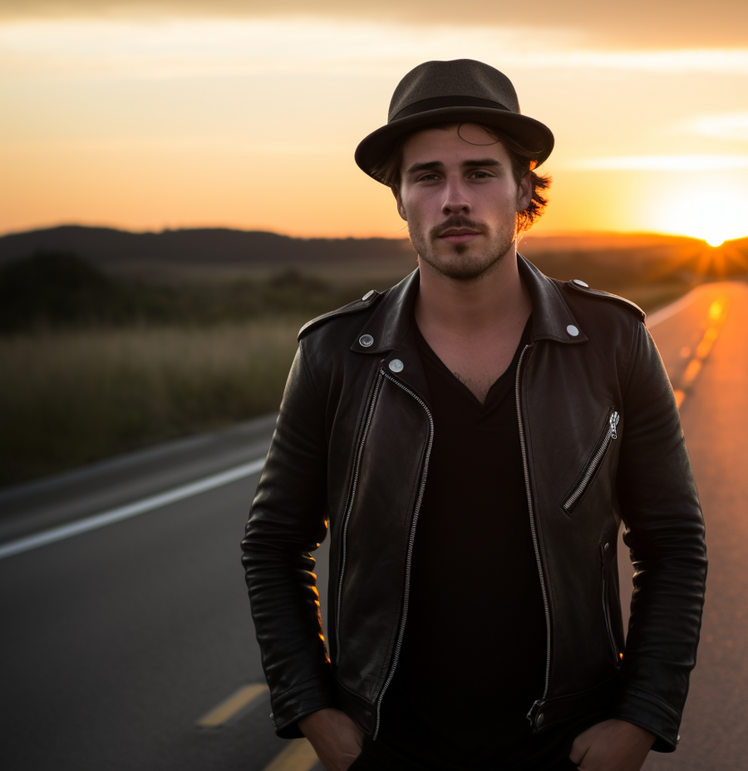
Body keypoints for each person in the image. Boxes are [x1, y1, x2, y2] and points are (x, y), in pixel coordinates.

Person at [242, 59, 706, 771]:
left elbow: (673, 544)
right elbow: (274, 543)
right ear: (399, 196)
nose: (453, 198)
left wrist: (640, 719)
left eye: (480, 172)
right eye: (427, 175)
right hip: (388, 747)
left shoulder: (611, 342)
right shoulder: (335, 354)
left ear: (524, 187)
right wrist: (316, 712)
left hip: (567, 743)